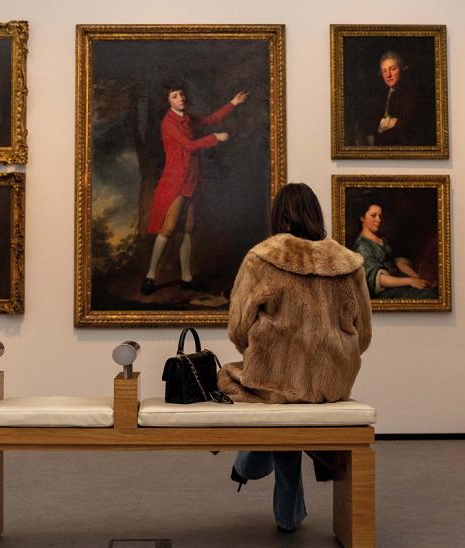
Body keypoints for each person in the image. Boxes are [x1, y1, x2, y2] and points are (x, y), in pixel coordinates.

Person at [217, 183, 373, 532]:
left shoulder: (262, 257)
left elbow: (238, 327)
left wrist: (264, 352)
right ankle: (286, 514)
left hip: (277, 379)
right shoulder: (349, 263)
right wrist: (334, 359)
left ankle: (249, 464)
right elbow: (362, 334)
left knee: (236, 381)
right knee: (288, 410)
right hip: (331, 383)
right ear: (316, 214)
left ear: (278, 215)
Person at [140, 81, 249, 296]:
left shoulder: (187, 118)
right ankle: (150, 276)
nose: (180, 98)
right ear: (168, 101)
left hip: (192, 180)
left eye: (181, 94)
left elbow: (210, 119)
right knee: (169, 228)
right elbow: (189, 146)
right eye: (174, 96)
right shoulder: (168, 123)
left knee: (189, 228)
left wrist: (233, 103)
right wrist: (215, 138)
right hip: (175, 182)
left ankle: (187, 278)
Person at [352, 203, 438, 299]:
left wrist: (416, 277)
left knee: (433, 290)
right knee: (429, 295)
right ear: (362, 218)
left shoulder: (382, 240)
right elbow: (379, 279)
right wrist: (411, 281)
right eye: (373, 215)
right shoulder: (362, 246)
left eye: (380, 216)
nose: (378, 220)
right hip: (386, 291)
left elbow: (394, 262)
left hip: (399, 281)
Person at [361, 50, 425, 146]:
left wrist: (394, 123)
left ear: (402, 69)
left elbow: (409, 124)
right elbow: (369, 123)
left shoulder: (412, 93)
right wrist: (388, 123)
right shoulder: (380, 94)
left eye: (393, 69)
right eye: (384, 71)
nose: (388, 75)